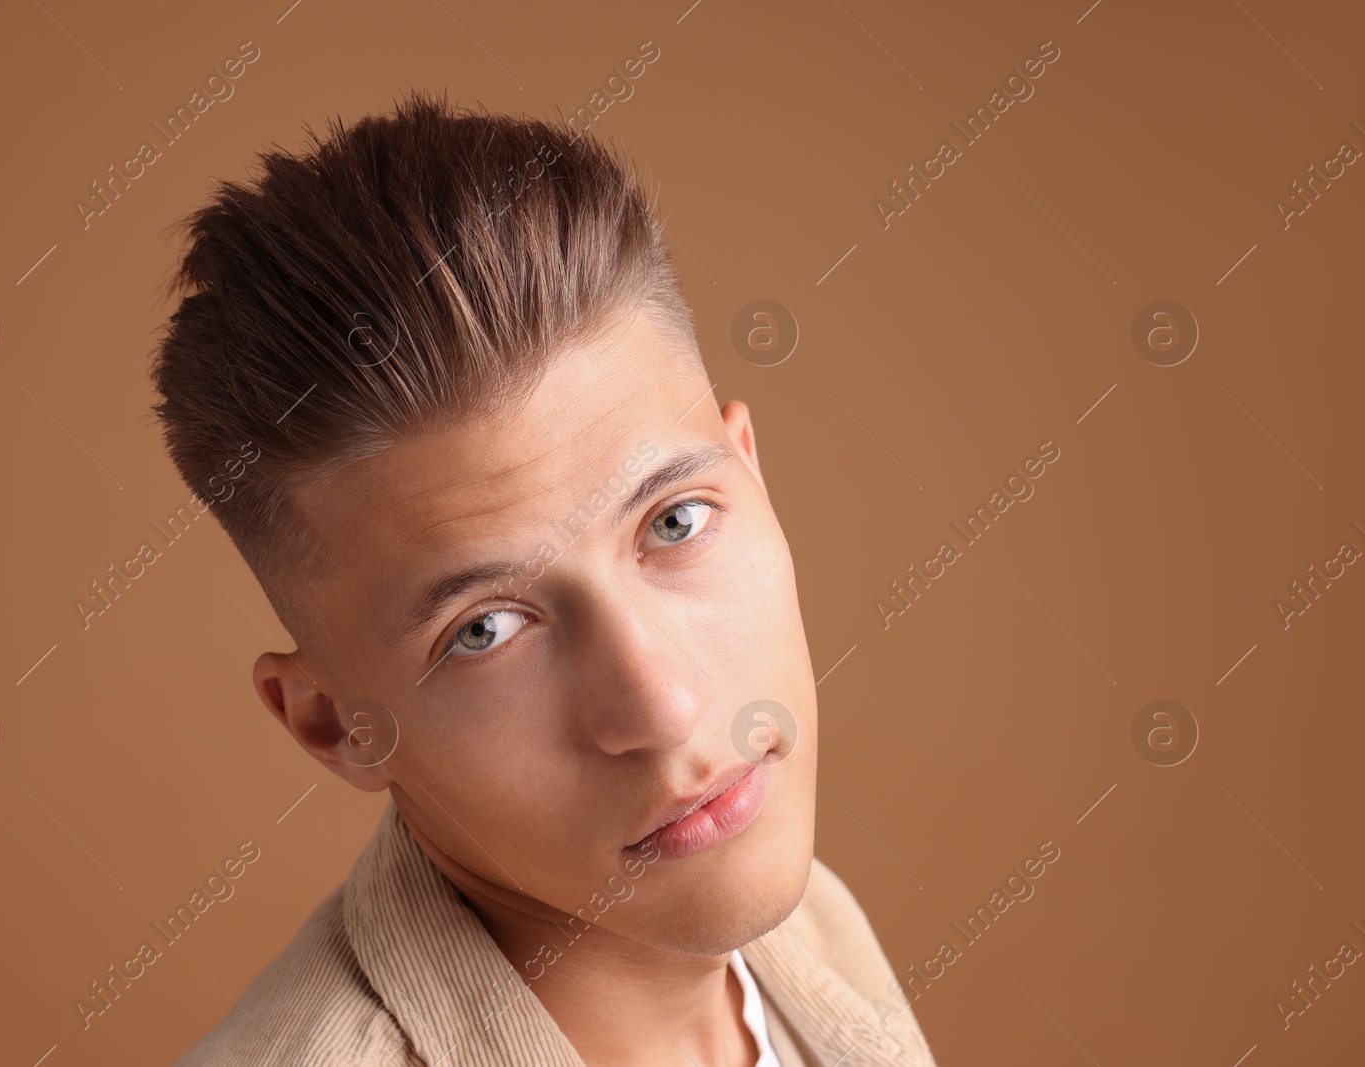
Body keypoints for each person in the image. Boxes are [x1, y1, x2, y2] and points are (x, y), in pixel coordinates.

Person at [151, 89, 937, 1067]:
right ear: (330, 720)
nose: (663, 705)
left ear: (752, 473)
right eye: (484, 628)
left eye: (674, 521)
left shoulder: (802, 923)